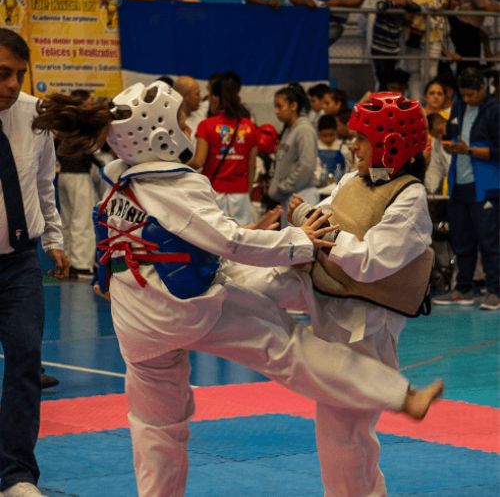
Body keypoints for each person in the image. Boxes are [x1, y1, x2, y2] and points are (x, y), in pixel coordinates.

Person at [33, 81, 443, 497]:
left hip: (138, 322)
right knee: (287, 346)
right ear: (157, 136)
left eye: (361, 138)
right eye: (181, 123)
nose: (189, 130)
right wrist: (299, 240)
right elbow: (228, 241)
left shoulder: (118, 183)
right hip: (187, 308)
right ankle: (400, 394)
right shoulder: (176, 185)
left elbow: (130, 240)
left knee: (155, 425)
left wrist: (291, 235)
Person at [234, 91, 439, 497]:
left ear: (390, 145)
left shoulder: (410, 198)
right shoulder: (353, 180)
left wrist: (314, 228)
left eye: (362, 139)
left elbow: (369, 262)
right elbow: (320, 218)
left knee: (344, 436)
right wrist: (300, 231)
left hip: (366, 323)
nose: (353, 146)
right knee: (242, 285)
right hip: (326, 292)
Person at [0, 28, 69, 497]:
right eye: (3, 73)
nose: (13, 84)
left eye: (20, 75)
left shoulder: (34, 117)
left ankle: (17, 475)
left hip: (20, 263)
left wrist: (56, 240)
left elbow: (45, 185)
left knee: (26, 358)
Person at [432, 67, 499, 310]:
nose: (467, 99)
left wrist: (468, 150)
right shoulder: (458, 107)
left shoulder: (495, 110)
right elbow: (453, 137)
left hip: (485, 185)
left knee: (489, 241)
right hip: (458, 184)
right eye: (464, 95)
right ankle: (463, 288)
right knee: (461, 240)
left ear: (482, 89)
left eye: (472, 94)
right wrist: (449, 145)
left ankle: (495, 291)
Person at [190, 75, 257, 226]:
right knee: (243, 235)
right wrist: (247, 191)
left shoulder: (206, 125)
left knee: (213, 236)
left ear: (215, 98)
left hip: (213, 192)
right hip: (240, 194)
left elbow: (199, 161)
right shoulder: (249, 126)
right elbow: (252, 165)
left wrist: (179, 167)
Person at [56, 89, 98, 280]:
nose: (92, 104)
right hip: (79, 174)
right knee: (82, 220)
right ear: (83, 103)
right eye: (90, 101)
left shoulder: (65, 120)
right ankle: (81, 266)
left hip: (64, 174)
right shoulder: (82, 121)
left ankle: (67, 263)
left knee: (67, 220)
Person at [268, 83, 319, 225]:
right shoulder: (289, 129)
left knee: (301, 237)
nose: (276, 111)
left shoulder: (304, 130)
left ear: (293, 106)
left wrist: (283, 186)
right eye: (275, 106)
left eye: (280, 106)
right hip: (290, 196)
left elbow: (306, 166)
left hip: (302, 195)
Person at [173, 75, 203, 145]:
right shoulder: (172, 124)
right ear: (185, 97)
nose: (200, 98)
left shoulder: (201, 116)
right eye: (197, 94)